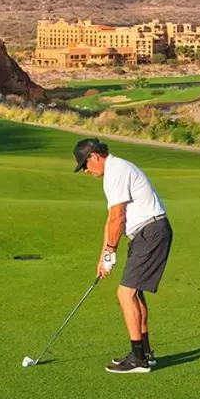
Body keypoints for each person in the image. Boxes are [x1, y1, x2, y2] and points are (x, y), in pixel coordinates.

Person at [73, 137, 174, 374]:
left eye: (84, 165)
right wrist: (104, 256)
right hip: (146, 233)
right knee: (134, 293)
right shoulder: (116, 170)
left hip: (150, 232)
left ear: (94, 156)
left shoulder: (115, 171)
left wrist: (111, 251)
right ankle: (145, 354)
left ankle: (138, 359)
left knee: (125, 293)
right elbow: (111, 221)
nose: (85, 171)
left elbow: (118, 218)